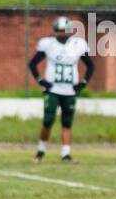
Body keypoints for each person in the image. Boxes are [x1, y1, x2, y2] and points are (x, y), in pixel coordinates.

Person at [29, 16, 94, 163]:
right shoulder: (48, 44)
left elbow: (90, 65)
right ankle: (40, 152)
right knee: (48, 120)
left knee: (67, 122)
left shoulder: (78, 44)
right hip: (52, 90)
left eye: (65, 31)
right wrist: (41, 81)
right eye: (60, 31)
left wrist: (83, 83)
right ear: (55, 31)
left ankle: (65, 154)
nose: (63, 33)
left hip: (69, 90)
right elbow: (32, 64)